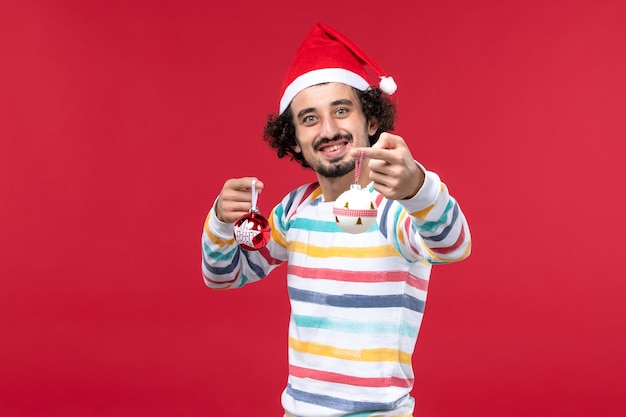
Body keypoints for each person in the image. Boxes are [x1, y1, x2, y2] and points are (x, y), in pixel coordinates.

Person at [201, 23, 472, 417]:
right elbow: (224, 275)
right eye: (309, 119)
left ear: (372, 120)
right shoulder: (294, 211)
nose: (329, 130)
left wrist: (417, 187)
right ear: (292, 138)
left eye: (341, 110)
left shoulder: (394, 208)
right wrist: (221, 222)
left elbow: (454, 245)